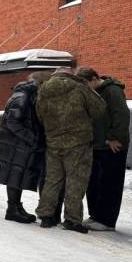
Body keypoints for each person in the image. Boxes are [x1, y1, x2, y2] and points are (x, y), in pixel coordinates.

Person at [34, 67, 106, 233]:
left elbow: (39, 114)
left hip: (53, 141)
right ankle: (72, 219)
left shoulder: (44, 89)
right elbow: (99, 108)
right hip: (78, 142)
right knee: (76, 180)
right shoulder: (80, 87)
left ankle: (46, 216)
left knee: (52, 179)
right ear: (70, 74)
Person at [0, 71, 53, 223]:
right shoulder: (23, 97)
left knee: (17, 175)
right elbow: (13, 122)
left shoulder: (26, 95)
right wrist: (32, 138)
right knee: (14, 175)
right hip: (17, 145)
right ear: (41, 84)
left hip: (19, 145)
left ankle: (16, 206)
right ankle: (12, 209)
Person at [75, 67, 131, 231]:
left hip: (112, 146)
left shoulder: (113, 91)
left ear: (94, 78)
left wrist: (114, 138)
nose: (85, 88)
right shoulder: (93, 93)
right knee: (94, 182)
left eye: (86, 84)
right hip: (98, 145)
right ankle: (96, 215)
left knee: (110, 183)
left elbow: (122, 115)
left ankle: (107, 220)